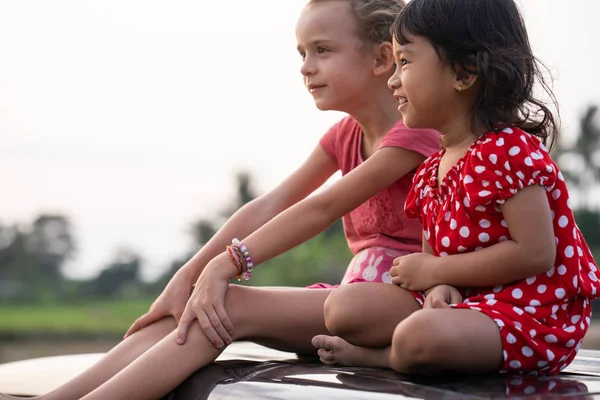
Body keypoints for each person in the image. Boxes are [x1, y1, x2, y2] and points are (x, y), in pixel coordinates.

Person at [0, 1, 441, 399]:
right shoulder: (345, 135)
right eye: (302, 54)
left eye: (323, 51)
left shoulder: (415, 135)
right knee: (185, 305)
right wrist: (188, 275)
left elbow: (319, 208)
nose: (306, 67)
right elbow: (271, 203)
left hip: (410, 301)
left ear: (383, 58)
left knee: (222, 305)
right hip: (353, 298)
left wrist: (227, 265)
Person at [311, 0, 600, 377]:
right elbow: (439, 262)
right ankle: (413, 342)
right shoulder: (433, 167)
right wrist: (439, 288)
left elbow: (535, 253)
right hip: (468, 303)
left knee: (418, 335)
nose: (393, 80)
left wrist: (434, 271)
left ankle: (380, 358)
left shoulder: (507, 150)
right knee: (343, 308)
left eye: (406, 62)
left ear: (464, 73)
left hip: (527, 314)